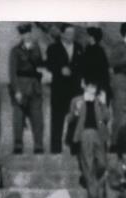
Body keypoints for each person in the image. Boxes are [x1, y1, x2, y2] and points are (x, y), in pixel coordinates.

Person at [65, 78, 111, 198]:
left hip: (99, 134)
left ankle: (88, 180)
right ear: (84, 86)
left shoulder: (99, 101)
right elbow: (69, 119)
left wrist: (103, 103)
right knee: (88, 163)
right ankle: (94, 196)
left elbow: (107, 118)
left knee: (102, 163)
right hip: (84, 134)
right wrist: (76, 111)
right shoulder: (77, 100)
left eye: (94, 86)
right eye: (90, 86)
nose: (93, 89)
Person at [46, 24, 83, 154]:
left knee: (76, 118)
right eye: (68, 33)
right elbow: (49, 64)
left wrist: (73, 71)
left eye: (73, 34)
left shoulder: (79, 47)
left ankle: (74, 147)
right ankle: (55, 149)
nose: (71, 36)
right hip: (59, 90)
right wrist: (59, 69)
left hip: (75, 89)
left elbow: (82, 65)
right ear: (61, 34)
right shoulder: (53, 48)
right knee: (57, 119)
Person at [8, 23, 45, 154]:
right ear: (21, 35)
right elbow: (12, 72)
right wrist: (16, 90)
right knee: (18, 118)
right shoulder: (15, 50)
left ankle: (38, 145)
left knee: (37, 118)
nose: (27, 36)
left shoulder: (36, 48)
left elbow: (40, 66)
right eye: (24, 34)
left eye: (29, 33)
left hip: (35, 87)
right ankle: (18, 145)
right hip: (21, 87)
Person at [81, 27, 111, 96]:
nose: (86, 37)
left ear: (92, 37)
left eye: (88, 35)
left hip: (95, 84)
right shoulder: (89, 49)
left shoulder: (98, 51)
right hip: (91, 83)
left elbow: (101, 70)